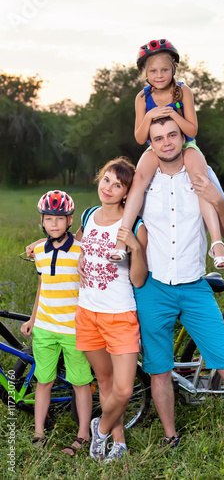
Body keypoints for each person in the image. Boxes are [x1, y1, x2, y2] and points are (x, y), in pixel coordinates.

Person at [133, 117, 224, 447]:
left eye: (172, 135)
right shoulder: (144, 180)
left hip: (194, 288)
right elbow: (110, 213)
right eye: (158, 138)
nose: (166, 142)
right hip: (153, 289)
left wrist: (217, 199)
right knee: (158, 371)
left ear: (182, 137)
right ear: (151, 143)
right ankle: (170, 436)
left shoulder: (200, 172)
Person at [110, 39, 224, 270]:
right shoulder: (142, 98)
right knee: (138, 181)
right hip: (155, 146)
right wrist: (149, 116)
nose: (159, 75)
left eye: (164, 69)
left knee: (200, 180)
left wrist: (174, 115)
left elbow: (192, 131)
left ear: (173, 69)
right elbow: (139, 137)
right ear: (145, 73)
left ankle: (217, 243)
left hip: (185, 144)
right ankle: (120, 241)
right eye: (153, 70)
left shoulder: (183, 90)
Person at [74, 157, 148, 463]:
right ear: (99, 179)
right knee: (103, 382)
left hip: (119, 315)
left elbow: (139, 280)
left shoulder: (134, 226)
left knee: (124, 389)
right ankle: (118, 444)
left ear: (127, 193)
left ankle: (100, 429)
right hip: (87, 312)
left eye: (118, 184)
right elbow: (75, 246)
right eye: (106, 179)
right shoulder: (89, 215)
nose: (109, 187)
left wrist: (137, 248)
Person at [21, 190, 93, 455]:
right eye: (49, 218)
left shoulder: (80, 249)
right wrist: (33, 318)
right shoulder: (38, 250)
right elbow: (43, 287)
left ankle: (83, 434)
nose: (54, 223)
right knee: (44, 380)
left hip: (74, 329)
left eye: (59, 219)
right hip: (45, 328)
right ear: (42, 220)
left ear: (70, 220)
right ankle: (39, 432)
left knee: (80, 381)